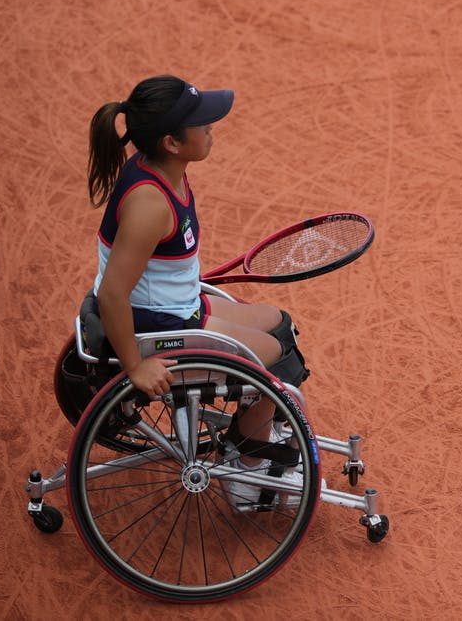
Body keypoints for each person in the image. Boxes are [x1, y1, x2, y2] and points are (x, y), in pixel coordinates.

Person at [86, 74, 309, 508]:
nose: (211, 127)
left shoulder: (162, 168)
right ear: (171, 142)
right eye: (201, 123)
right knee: (278, 363)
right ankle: (247, 471)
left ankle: (251, 434)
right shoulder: (150, 205)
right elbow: (113, 293)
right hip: (160, 325)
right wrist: (135, 367)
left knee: (280, 326)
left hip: (175, 306)